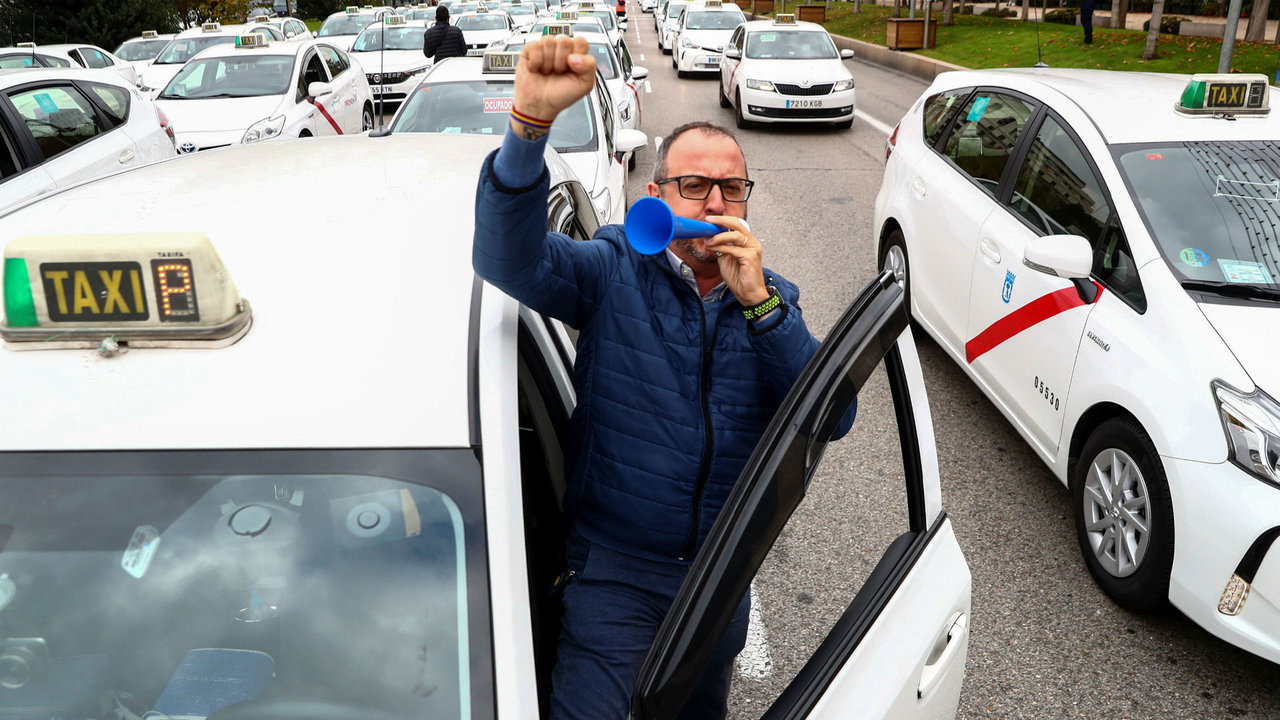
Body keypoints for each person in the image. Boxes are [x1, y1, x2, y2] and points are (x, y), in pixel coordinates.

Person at [472, 35, 855, 720]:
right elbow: (511, 258)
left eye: (730, 188)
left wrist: (761, 304)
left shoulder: (772, 302)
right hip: (614, 572)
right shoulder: (614, 267)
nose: (712, 202)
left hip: (717, 578)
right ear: (656, 194)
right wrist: (528, 130)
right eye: (693, 186)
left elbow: (835, 414)